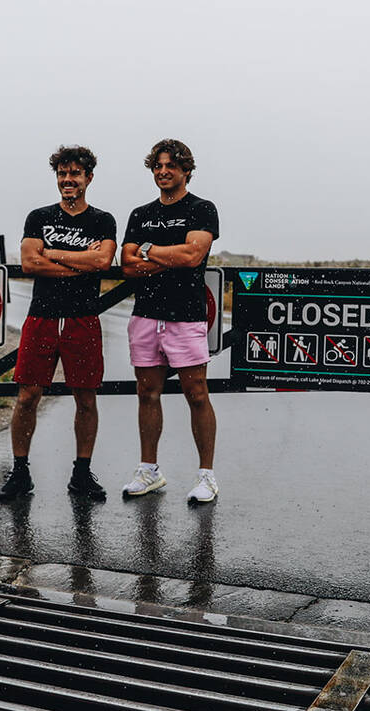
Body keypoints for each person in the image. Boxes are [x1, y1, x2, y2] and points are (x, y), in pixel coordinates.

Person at [0, 146, 116, 503]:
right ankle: (20, 471)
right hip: (42, 316)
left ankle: (81, 473)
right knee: (28, 396)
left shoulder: (103, 220)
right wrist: (79, 262)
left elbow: (103, 261)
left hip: (83, 318)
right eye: (63, 174)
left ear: (88, 178)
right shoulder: (38, 217)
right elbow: (30, 263)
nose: (68, 180)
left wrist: (54, 254)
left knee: (86, 398)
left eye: (75, 174)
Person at [119, 139, 220, 504]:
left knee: (196, 394)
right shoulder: (139, 214)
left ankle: (206, 477)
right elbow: (127, 264)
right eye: (158, 166)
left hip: (186, 317)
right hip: (146, 314)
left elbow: (194, 255)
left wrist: (148, 250)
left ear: (186, 171)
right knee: (147, 393)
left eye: (171, 166)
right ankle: (150, 471)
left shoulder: (202, 209)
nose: (163, 171)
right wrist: (166, 256)